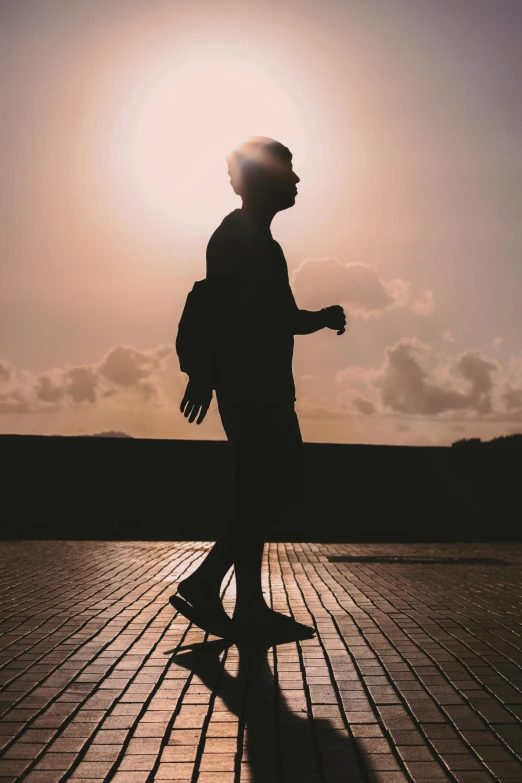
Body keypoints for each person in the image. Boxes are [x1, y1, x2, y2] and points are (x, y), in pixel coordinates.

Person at [170, 136, 346, 642]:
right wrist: (203, 375)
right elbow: (222, 309)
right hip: (253, 388)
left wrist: (319, 318)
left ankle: (248, 606)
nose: (295, 181)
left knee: (255, 494)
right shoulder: (238, 239)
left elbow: (279, 317)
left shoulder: (260, 243)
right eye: (287, 173)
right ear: (263, 181)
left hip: (257, 384)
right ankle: (206, 581)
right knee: (280, 489)